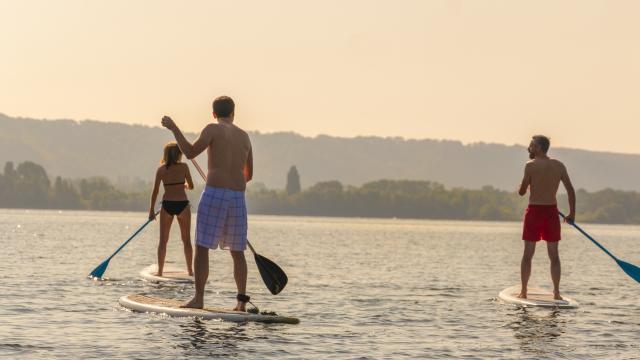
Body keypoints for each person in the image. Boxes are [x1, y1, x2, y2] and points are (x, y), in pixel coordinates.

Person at [161, 96, 253, 311]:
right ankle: (241, 303)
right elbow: (248, 175)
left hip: (215, 193)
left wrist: (175, 128)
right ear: (233, 113)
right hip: (238, 196)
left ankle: (199, 298)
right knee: (237, 250)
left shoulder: (212, 129)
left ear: (213, 113)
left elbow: (191, 152)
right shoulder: (245, 136)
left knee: (202, 246)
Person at [517, 135, 575, 300]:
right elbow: (571, 190)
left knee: (528, 254)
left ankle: (524, 291)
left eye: (532, 146)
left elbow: (521, 192)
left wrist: (522, 187)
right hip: (551, 212)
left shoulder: (530, 166)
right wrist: (572, 214)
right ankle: (556, 293)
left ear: (540, 148)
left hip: (535, 212)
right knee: (554, 255)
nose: (529, 148)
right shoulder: (559, 165)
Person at [148, 142, 195, 277]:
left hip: (167, 205)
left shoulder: (161, 170)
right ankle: (190, 271)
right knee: (186, 240)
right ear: (179, 154)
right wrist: (183, 185)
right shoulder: (184, 167)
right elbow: (191, 186)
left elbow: (155, 191)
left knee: (163, 240)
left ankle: (160, 272)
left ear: (166, 154)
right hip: (182, 205)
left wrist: (151, 210)